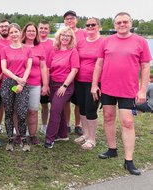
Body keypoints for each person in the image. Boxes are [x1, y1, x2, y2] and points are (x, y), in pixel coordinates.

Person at [91, 12, 151, 175]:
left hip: (128, 89)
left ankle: (129, 160)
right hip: (108, 88)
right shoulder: (107, 41)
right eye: (119, 22)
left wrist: (143, 90)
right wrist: (94, 85)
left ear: (131, 23)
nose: (122, 24)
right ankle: (112, 149)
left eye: (125, 22)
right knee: (109, 118)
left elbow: (145, 67)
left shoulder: (140, 42)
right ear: (114, 24)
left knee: (127, 122)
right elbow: (99, 64)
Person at [44, 26, 79, 149]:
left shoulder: (73, 52)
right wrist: (46, 84)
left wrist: (64, 85)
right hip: (53, 84)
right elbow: (48, 69)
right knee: (58, 109)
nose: (65, 37)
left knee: (54, 110)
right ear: (59, 37)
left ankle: (49, 138)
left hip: (65, 86)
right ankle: (63, 134)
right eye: (63, 35)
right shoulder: (53, 51)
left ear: (71, 38)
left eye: (68, 36)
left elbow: (74, 70)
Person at [0, 23, 32, 152]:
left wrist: (21, 81)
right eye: (11, 32)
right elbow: (4, 68)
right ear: (9, 34)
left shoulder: (27, 49)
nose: (13, 34)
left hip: (23, 83)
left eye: (16, 32)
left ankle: (23, 139)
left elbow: (28, 66)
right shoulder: (5, 50)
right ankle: (9, 139)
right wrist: (16, 79)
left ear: (20, 32)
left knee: (22, 112)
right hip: (8, 83)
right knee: (8, 112)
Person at [74, 18, 104, 150]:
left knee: (91, 109)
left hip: (95, 82)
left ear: (99, 27)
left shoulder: (103, 42)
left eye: (93, 25)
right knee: (82, 107)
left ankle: (92, 139)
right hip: (79, 80)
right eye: (88, 25)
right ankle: (85, 134)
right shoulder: (80, 42)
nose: (90, 27)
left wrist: (95, 84)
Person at [22, 22, 49, 145]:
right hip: (20, 84)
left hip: (35, 84)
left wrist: (45, 84)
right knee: (20, 110)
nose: (31, 33)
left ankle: (32, 134)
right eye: (29, 30)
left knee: (33, 110)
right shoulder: (19, 46)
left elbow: (43, 67)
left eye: (33, 31)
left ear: (36, 33)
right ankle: (20, 134)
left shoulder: (40, 48)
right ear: (25, 32)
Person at [63, 10, 86, 135]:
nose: (69, 21)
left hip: (79, 72)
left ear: (76, 20)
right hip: (65, 72)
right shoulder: (62, 33)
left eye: (72, 18)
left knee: (78, 101)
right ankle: (66, 124)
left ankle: (78, 124)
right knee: (66, 100)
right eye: (67, 19)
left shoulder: (83, 33)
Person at [38, 21, 54, 134]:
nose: (43, 30)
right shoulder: (34, 42)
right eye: (41, 28)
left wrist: (46, 82)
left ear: (49, 30)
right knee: (30, 106)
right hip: (33, 79)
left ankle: (44, 125)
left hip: (48, 78)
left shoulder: (53, 44)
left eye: (45, 28)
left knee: (45, 104)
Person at [0, 19, 11, 133]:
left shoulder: (15, 41)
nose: (4, 28)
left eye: (6, 26)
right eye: (2, 26)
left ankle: (13, 127)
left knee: (12, 104)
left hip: (11, 79)